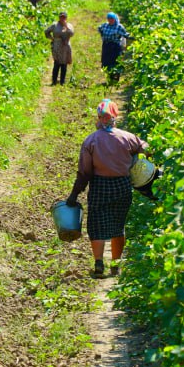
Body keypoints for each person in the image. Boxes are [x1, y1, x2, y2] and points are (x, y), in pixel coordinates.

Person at [67, 99, 149, 278]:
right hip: (122, 186)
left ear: (98, 117)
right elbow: (146, 148)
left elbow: (85, 172)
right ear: (115, 116)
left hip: (100, 186)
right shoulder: (127, 137)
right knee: (118, 226)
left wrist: (74, 194)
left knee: (97, 225)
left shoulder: (91, 140)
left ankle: (98, 263)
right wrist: (139, 159)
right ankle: (115, 265)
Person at [97, 12, 130, 83]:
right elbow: (99, 28)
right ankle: (109, 78)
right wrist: (102, 35)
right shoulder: (105, 25)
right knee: (107, 62)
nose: (110, 20)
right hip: (106, 46)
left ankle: (115, 79)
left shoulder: (119, 27)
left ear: (115, 19)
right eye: (109, 19)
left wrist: (130, 37)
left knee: (115, 62)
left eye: (111, 19)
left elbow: (125, 34)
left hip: (115, 47)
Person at [44, 11, 74, 86]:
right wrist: (52, 39)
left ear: (66, 18)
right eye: (61, 17)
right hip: (57, 45)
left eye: (64, 17)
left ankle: (62, 81)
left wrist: (66, 26)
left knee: (64, 63)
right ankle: (54, 81)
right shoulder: (55, 25)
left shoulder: (69, 25)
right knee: (57, 63)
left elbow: (72, 33)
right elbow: (46, 32)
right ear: (59, 17)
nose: (62, 18)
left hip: (66, 46)